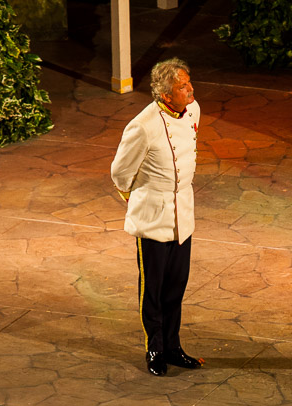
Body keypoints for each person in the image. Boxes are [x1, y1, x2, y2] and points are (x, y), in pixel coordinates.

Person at [111, 58, 203, 376]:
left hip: (182, 213)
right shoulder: (143, 126)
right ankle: (155, 348)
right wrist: (136, 197)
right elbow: (120, 172)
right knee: (153, 289)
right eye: (182, 86)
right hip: (152, 217)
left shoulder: (193, 110)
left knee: (176, 285)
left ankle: (173, 346)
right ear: (165, 95)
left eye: (189, 83)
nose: (190, 89)